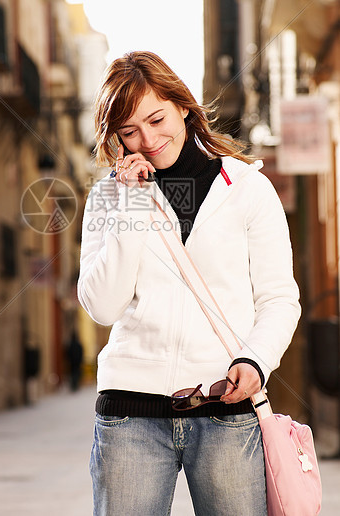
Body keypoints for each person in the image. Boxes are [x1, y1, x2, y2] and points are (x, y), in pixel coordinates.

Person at [77, 51, 301, 515]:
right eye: (129, 131)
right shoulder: (108, 199)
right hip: (130, 414)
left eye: (157, 119)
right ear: (117, 140)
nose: (149, 139)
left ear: (182, 105)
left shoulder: (247, 188)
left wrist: (255, 361)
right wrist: (132, 203)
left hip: (225, 404)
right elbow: (102, 304)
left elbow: (279, 298)